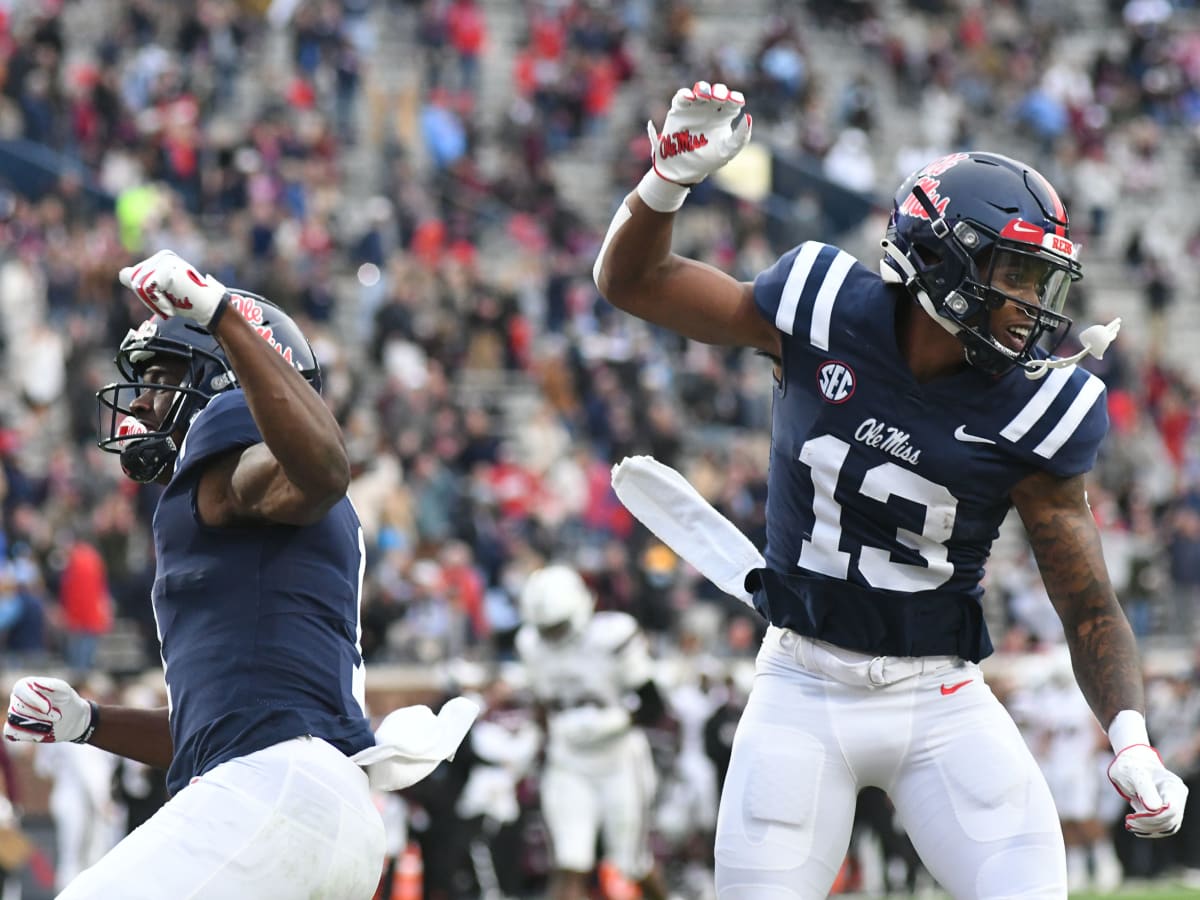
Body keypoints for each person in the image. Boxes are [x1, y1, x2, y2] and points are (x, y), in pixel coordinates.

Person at [593, 80, 1188, 897]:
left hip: (940, 695)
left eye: (1041, 280)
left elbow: (1087, 602)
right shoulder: (822, 308)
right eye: (1012, 273)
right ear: (940, 257)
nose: (1030, 307)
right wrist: (665, 184)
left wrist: (1130, 740)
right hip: (801, 681)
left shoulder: (1038, 407)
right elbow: (634, 283)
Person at [4, 249, 477, 899]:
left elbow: (321, 473)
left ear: (225, 376)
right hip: (307, 803)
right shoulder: (239, 522)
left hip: (277, 796)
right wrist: (89, 721)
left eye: (163, 377)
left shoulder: (232, 428)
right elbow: (221, 728)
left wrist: (221, 315)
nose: (141, 402)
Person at [515, 563, 671, 900]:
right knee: (570, 860)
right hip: (568, 759)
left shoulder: (613, 635)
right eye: (546, 628)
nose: (552, 636)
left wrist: (614, 721)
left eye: (558, 626)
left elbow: (654, 706)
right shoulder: (530, 644)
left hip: (619, 760)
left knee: (633, 862)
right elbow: (541, 705)